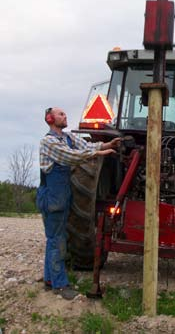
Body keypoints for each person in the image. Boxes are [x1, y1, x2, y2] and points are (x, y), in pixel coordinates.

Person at [36, 107, 121, 300]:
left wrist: (107, 144)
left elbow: (85, 146)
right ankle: (60, 285)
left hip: (63, 196)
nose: (65, 116)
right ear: (50, 119)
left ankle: (49, 279)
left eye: (65, 113)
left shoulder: (67, 137)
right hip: (52, 198)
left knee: (55, 238)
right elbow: (71, 156)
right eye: (60, 114)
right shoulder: (48, 142)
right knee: (57, 241)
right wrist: (100, 154)